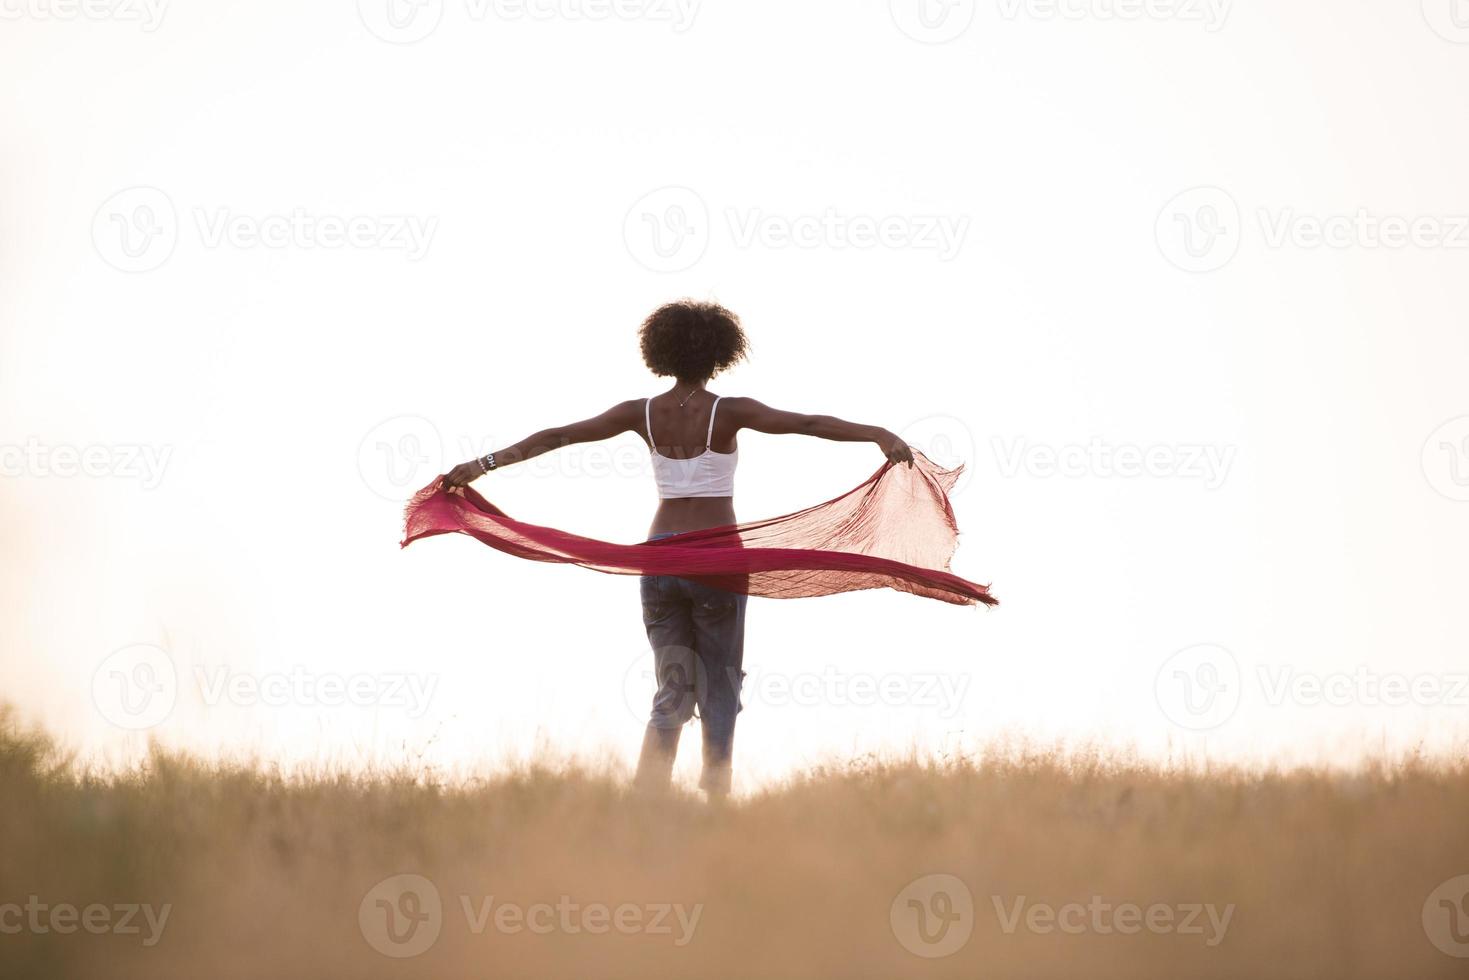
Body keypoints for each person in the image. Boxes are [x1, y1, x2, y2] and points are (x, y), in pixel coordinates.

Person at [442, 300, 915, 798]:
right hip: (715, 559)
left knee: (673, 686)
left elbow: (560, 436)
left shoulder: (641, 414)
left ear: (661, 351)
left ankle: (647, 800)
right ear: (719, 355)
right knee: (721, 683)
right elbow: (809, 423)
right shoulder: (729, 411)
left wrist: (484, 463)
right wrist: (877, 434)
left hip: (660, 557)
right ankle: (716, 798)